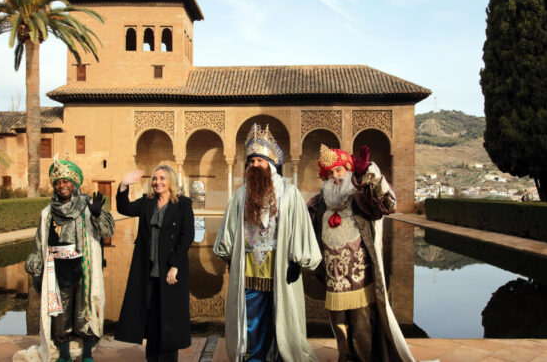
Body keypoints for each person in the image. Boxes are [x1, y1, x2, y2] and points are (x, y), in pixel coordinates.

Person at [214, 123, 322, 362]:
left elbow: (299, 227)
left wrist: (298, 259)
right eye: (251, 161)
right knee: (253, 318)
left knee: (282, 315)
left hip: (281, 264)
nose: (254, 166)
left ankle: (282, 356)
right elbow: (229, 230)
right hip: (250, 266)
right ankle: (257, 357)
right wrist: (229, 256)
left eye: (260, 161)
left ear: (271, 165)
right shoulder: (241, 195)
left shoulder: (289, 193)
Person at [307, 145, 417, 362]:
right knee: (340, 327)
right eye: (330, 173)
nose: (335, 176)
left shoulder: (361, 199)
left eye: (339, 170)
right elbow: (305, 233)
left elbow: (388, 204)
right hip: (334, 280)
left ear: (348, 171)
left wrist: (368, 172)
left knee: (361, 328)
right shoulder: (318, 204)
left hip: (359, 278)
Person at [24, 155, 115, 362]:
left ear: (74, 184)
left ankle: (87, 354)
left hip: (84, 268)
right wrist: (36, 271)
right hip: (58, 270)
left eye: (66, 182)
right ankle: (64, 355)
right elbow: (40, 242)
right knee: (60, 313)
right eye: (58, 183)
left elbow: (107, 232)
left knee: (86, 310)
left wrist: (98, 215)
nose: (62, 186)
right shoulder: (47, 213)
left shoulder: (88, 206)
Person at [114, 165, 194, 362]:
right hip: (147, 271)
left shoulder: (183, 204)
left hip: (170, 271)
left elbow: (187, 236)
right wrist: (123, 184)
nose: (157, 182)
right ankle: (152, 358)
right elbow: (124, 208)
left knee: (169, 317)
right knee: (151, 317)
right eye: (155, 179)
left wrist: (175, 265)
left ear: (171, 182)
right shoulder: (147, 203)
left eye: (162, 178)